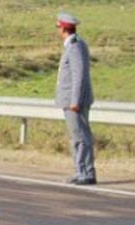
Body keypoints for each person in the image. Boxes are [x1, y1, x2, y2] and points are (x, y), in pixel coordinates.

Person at [55, 12, 96, 185]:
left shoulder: (75, 46)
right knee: (77, 136)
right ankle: (81, 170)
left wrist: (75, 100)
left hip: (74, 101)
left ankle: (86, 172)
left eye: (58, 27)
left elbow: (78, 75)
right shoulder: (74, 45)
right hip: (72, 99)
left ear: (63, 28)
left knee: (80, 136)